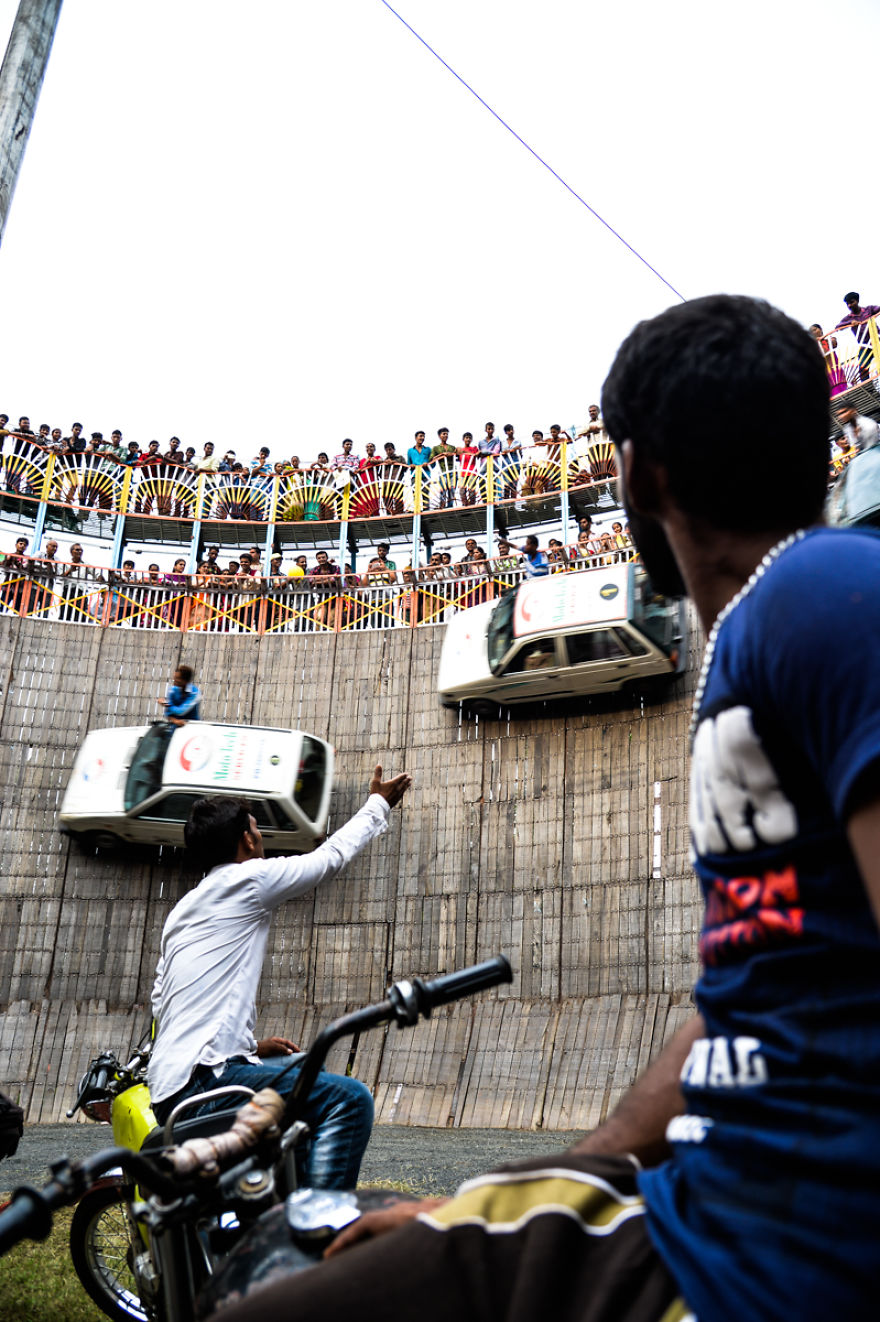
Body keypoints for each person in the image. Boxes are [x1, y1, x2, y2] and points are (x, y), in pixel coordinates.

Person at [219, 294, 880, 1322]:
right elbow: (731, 1005)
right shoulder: (769, 628)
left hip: (774, 1257)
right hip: (697, 1208)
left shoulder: (824, 596)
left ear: (639, 470)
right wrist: (518, 1193)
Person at [147, 764, 412, 1191]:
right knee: (350, 1100)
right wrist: (378, 804)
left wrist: (249, 1046)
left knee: (304, 1064)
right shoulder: (249, 879)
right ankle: (314, 1226)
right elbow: (328, 860)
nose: (261, 838)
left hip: (168, 1091)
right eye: (257, 830)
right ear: (247, 840)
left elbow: (165, 1003)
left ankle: (281, 1191)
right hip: (206, 1083)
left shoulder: (183, 910)